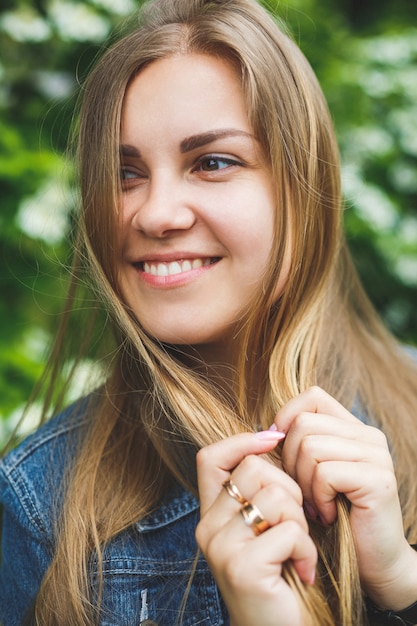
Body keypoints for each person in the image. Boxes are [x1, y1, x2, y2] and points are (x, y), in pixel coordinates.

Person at [1, 0, 417, 624]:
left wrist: (402, 582)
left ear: (301, 190)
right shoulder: (40, 505)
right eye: (125, 173)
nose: (155, 213)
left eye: (212, 162)